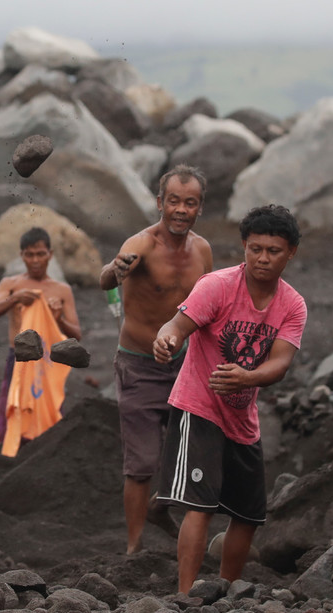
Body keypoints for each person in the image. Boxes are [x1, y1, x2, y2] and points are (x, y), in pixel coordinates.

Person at [152, 204, 307, 594]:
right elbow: (178, 325)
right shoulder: (217, 286)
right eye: (255, 249)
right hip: (198, 406)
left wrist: (247, 378)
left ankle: (226, 592)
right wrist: (167, 339)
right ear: (244, 246)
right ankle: (185, 596)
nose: (263, 258)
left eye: (273, 251)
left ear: (290, 253)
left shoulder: (292, 305)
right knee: (200, 505)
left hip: (242, 418)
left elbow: (281, 363)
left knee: (249, 514)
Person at [99, 164, 214, 555]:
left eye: (190, 203)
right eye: (174, 202)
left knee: (193, 451)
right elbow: (105, 278)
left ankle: (162, 507)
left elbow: (211, 304)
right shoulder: (142, 244)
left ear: (200, 208)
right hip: (139, 366)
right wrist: (114, 270)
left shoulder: (202, 251)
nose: (181, 210)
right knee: (143, 462)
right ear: (160, 203)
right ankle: (133, 548)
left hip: (186, 366)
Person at [0, 227, 82, 456]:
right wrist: (15, 298)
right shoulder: (11, 285)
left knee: (50, 408)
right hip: (19, 359)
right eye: (29, 255)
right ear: (21, 256)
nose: (35, 261)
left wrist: (58, 319)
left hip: (48, 361)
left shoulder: (61, 290)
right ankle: (7, 452)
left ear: (50, 254)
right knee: (12, 405)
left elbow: (76, 333)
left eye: (40, 254)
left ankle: (47, 451)